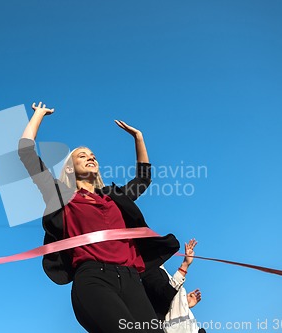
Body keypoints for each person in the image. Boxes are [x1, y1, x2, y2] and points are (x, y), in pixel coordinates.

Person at [18, 102, 180, 332]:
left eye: (92, 155)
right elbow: (26, 153)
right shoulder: (62, 197)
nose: (90, 158)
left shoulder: (114, 197)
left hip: (132, 279)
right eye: (82, 156)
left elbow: (143, 179)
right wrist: (39, 115)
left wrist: (139, 138)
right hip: (94, 279)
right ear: (71, 168)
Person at [144, 239, 205, 333]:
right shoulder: (150, 273)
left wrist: (185, 302)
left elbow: (170, 298)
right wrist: (185, 265)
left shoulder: (162, 272)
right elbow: (165, 295)